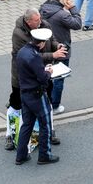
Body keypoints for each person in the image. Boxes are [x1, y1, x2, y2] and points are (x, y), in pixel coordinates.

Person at [7, 8, 67, 150]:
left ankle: (49, 131)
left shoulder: (44, 24)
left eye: (40, 18)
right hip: (22, 78)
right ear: (28, 22)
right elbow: (28, 57)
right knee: (16, 105)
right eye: (36, 20)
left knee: (47, 103)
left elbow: (51, 40)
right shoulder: (18, 34)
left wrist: (57, 46)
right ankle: (10, 134)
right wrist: (53, 55)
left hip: (43, 74)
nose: (40, 21)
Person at [15, 27, 58, 166]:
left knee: (27, 125)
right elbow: (43, 78)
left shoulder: (22, 51)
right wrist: (49, 72)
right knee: (45, 124)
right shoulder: (35, 56)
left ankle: (21, 155)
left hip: (25, 93)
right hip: (37, 95)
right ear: (42, 43)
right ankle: (44, 155)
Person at [39, 0, 82, 114]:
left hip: (45, 49)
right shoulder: (62, 15)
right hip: (61, 49)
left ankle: (45, 101)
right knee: (59, 77)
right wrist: (73, 9)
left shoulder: (43, 8)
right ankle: (55, 105)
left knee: (46, 75)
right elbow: (77, 24)